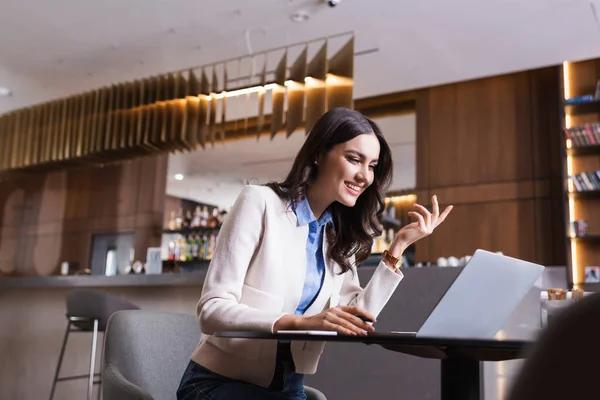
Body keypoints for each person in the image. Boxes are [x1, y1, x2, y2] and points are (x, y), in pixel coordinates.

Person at [177, 107, 453, 400]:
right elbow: (212, 309)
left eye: (372, 165)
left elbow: (358, 318)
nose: (364, 176)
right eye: (354, 159)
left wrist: (397, 248)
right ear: (319, 154)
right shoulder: (259, 203)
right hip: (219, 383)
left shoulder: (337, 235)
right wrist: (299, 322)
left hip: (289, 387)